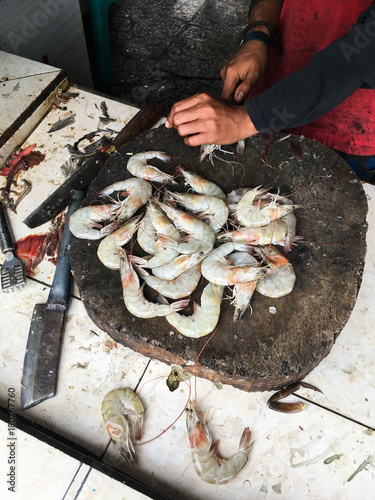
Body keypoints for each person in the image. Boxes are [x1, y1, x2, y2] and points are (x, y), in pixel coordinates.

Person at [165, 0, 375, 181]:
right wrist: (257, 35)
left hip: (350, 119)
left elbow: (365, 50)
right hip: (275, 83)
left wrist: (245, 119)